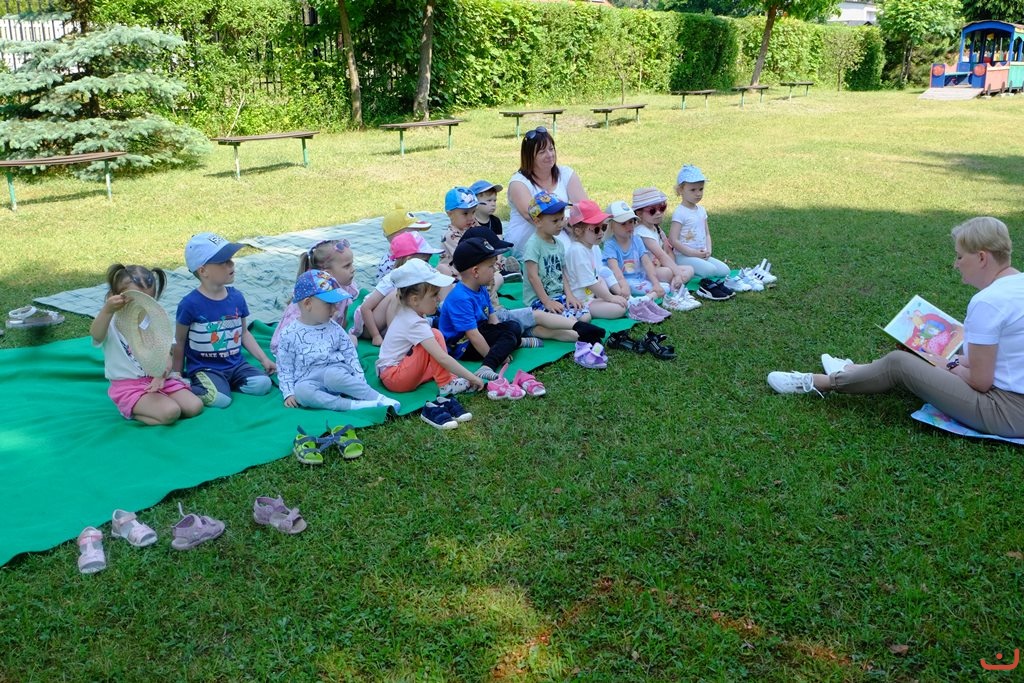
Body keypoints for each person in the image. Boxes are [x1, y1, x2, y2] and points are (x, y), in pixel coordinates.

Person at [768, 217, 1024, 438]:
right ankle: (856, 371)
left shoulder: (988, 302)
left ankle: (819, 382)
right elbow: (1003, 357)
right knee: (934, 349)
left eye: (959, 256)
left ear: (982, 257)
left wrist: (949, 365)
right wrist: (945, 360)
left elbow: (980, 381)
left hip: (1006, 410)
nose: (955, 264)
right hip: (1012, 399)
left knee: (898, 364)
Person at [90, 263, 203, 425]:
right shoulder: (110, 320)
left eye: (147, 300)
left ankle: (156, 404)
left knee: (194, 407)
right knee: (171, 412)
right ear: (116, 295)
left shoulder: (155, 318)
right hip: (128, 386)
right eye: (135, 299)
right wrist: (107, 310)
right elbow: (96, 335)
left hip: (159, 378)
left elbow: (166, 353)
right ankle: (130, 411)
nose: (141, 305)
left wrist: (161, 375)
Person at [172, 232, 275, 408]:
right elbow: (179, 341)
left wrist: (264, 359)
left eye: (231, 259)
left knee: (263, 384)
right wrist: (177, 375)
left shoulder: (237, 297)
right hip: (206, 368)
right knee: (220, 400)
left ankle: (225, 384)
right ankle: (199, 385)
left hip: (236, 366)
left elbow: (244, 333)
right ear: (203, 271)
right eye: (223, 262)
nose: (231, 264)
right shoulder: (189, 304)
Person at [277, 269, 401, 413]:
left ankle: (377, 398)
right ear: (308, 303)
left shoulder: (334, 328)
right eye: (329, 304)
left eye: (335, 304)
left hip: (334, 372)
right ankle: (351, 405)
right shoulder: (288, 334)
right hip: (307, 380)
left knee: (333, 376)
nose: (335, 310)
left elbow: (349, 353)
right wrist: (289, 392)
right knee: (301, 392)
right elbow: (285, 366)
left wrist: (359, 379)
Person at [376, 259, 486, 401]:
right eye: (434, 295)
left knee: (434, 352)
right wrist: (472, 377)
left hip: (392, 373)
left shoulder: (407, 311)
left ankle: (449, 377)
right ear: (414, 300)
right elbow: (442, 357)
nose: (439, 299)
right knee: (435, 335)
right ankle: (447, 384)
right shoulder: (415, 323)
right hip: (395, 377)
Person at [522, 191, 608, 368]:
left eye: (562, 219)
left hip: (558, 296)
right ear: (537, 221)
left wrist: (569, 295)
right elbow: (532, 276)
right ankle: (540, 331)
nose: (561, 224)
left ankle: (548, 329)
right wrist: (547, 301)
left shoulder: (559, 244)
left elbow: (563, 273)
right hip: (539, 300)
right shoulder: (533, 244)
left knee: (585, 315)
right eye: (555, 221)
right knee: (573, 332)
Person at [439, 237, 523, 381]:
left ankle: (516, 342)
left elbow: (492, 317)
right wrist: (494, 355)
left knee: (513, 326)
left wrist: (501, 331)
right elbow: (473, 335)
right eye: (491, 266)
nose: (495, 269)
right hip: (462, 345)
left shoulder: (481, 287)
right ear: (476, 271)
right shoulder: (460, 298)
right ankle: (487, 366)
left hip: (480, 331)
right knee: (508, 337)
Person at [506, 126, 588, 255]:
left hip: (560, 229)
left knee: (588, 243)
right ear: (530, 156)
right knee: (566, 249)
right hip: (530, 239)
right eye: (542, 152)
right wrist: (567, 219)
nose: (550, 155)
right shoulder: (519, 183)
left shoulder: (566, 173)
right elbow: (535, 217)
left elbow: (584, 208)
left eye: (551, 149)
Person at [271, 238, 359, 355]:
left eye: (352, 264)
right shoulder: (314, 295)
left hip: (322, 337)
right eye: (347, 266)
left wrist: (340, 335)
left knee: (351, 340)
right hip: (297, 345)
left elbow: (343, 318)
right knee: (351, 342)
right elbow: (305, 334)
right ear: (328, 273)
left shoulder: (345, 286)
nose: (353, 269)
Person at [357, 231, 443, 346]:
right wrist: (375, 335)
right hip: (369, 325)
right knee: (397, 294)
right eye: (425, 261)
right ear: (409, 260)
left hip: (388, 322)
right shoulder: (390, 280)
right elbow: (365, 308)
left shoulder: (415, 279)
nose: (428, 265)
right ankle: (394, 338)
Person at [668, 165, 736, 301]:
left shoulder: (701, 210)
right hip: (683, 257)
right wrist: (693, 253)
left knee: (725, 271)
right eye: (693, 190)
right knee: (710, 271)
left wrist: (708, 250)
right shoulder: (680, 212)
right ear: (681, 190)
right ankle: (686, 272)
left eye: (701, 189)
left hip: (701, 255)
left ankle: (699, 270)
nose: (698, 193)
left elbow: (707, 234)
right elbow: (673, 239)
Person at [631, 188, 700, 311]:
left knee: (689, 269)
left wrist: (676, 272)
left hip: (658, 268)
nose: (658, 213)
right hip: (644, 272)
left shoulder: (655, 229)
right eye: (652, 211)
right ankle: (676, 291)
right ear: (639, 214)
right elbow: (661, 255)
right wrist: (677, 273)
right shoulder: (641, 232)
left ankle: (674, 287)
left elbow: (668, 251)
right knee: (670, 272)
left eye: (662, 208)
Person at [564, 201, 627, 320]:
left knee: (602, 279)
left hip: (591, 295)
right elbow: (590, 283)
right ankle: (600, 303)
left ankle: (606, 299)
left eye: (603, 227)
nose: (602, 232)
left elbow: (595, 278)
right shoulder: (577, 251)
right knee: (620, 308)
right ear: (578, 231)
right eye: (596, 229)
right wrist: (610, 298)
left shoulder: (588, 247)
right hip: (581, 300)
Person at [377, 207, 432, 282]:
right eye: (415, 233)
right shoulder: (391, 265)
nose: (418, 236)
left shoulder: (412, 254)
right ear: (399, 237)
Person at [438, 186, 480, 276]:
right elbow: (466, 257)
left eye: (473, 212)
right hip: (457, 271)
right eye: (465, 213)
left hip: (472, 266)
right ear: (450, 214)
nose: (471, 217)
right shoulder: (451, 236)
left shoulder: (471, 227)